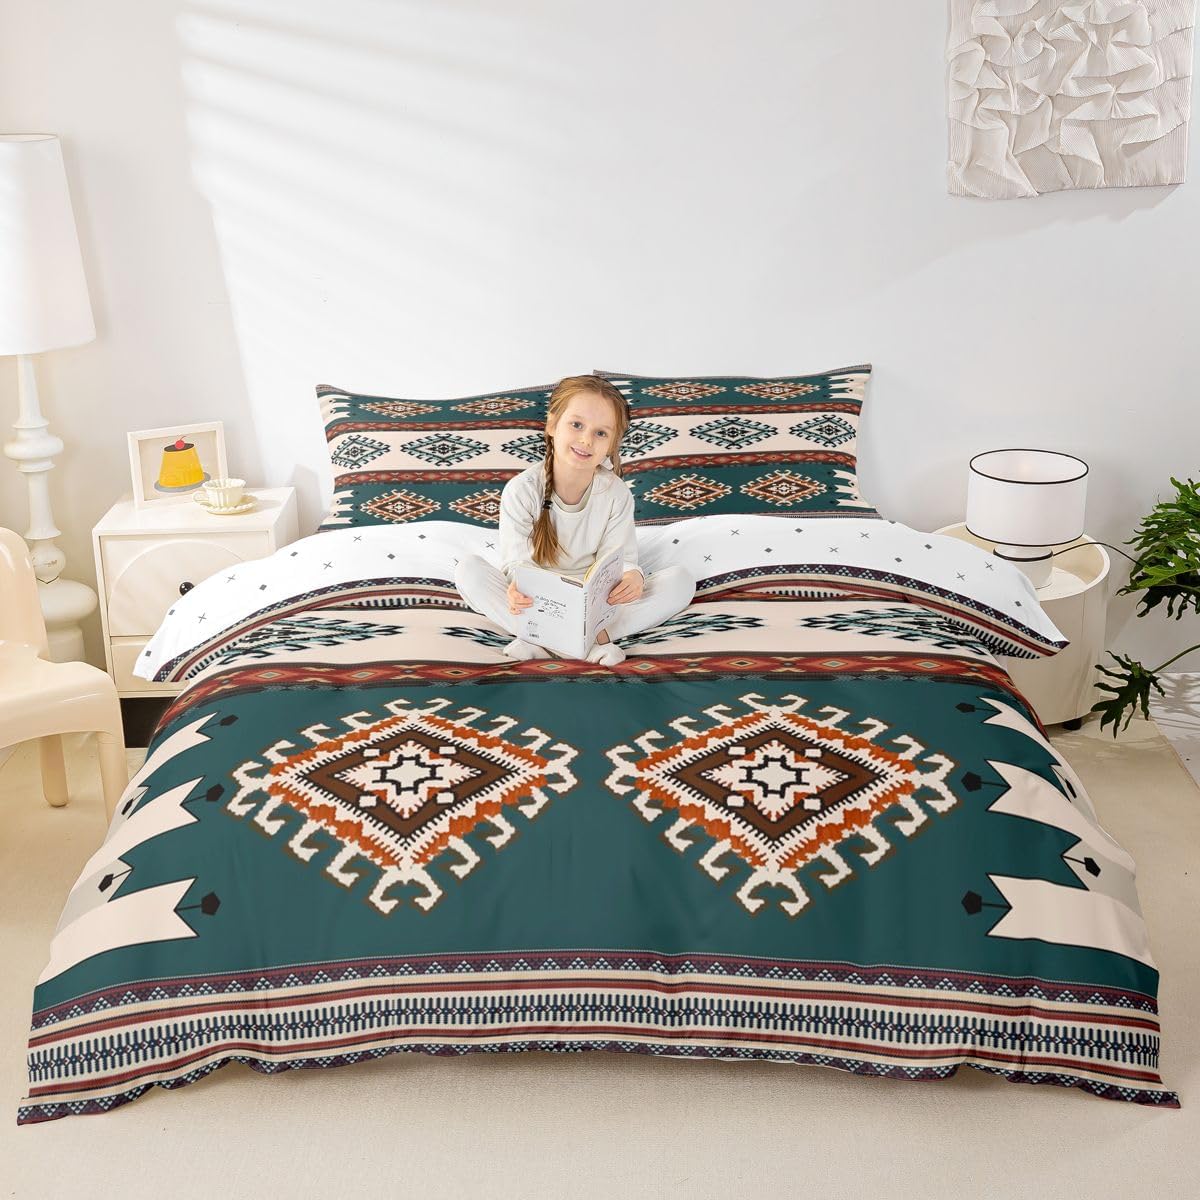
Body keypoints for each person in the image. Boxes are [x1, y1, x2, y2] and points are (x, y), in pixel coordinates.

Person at [454, 374, 694, 665]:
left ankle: (548, 641)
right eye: (577, 425)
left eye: (601, 433)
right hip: (539, 600)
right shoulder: (522, 490)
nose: (586, 440)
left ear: (612, 445)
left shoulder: (615, 493)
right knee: (469, 571)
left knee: (680, 582)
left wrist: (633, 577)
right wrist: (517, 590)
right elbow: (517, 565)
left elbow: (620, 559)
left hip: (597, 603)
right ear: (552, 425)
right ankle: (591, 644)